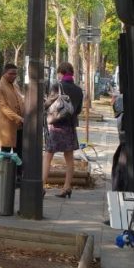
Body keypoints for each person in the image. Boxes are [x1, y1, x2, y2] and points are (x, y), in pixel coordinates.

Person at [42, 62, 84, 198]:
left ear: (61, 72)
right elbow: (78, 110)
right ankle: (67, 187)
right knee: (69, 158)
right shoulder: (78, 90)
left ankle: (41, 185)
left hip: (56, 126)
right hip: (70, 127)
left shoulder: (57, 86)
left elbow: (48, 103)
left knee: (48, 156)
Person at [0, 63, 24, 158]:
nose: (14, 76)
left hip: (20, 126)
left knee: (19, 154)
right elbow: (3, 107)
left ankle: (18, 173)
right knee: (5, 154)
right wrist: (19, 118)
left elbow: (21, 102)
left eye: (15, 74)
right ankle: (6, 173)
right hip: (7, 126)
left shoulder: (16, 86)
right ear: (4, 73)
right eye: (11, 73)